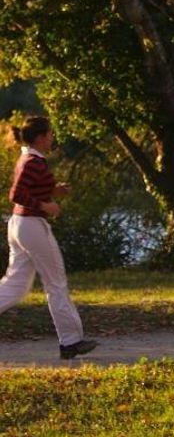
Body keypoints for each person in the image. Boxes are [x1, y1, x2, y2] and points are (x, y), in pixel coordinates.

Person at [0, 115, 97, 360]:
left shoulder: (30, 159)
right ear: (41, 138)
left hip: (19, 225)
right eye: (50, 134)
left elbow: (29, 188)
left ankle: (70, 341)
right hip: (32, 224)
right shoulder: (33, 161)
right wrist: (45, 205)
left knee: (16, 285)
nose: (53, 138)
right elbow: (16, 193)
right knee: (56, 283)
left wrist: (54, 191)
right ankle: (71, 341)